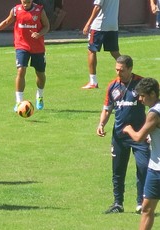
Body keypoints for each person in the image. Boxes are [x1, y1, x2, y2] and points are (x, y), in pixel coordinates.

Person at [96, 55, 150, 214]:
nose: (118, 73)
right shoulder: (113, 86)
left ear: (130, 69)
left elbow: (153, 107)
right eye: (117, 70)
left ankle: (141, 203)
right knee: (118, 170)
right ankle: (118, 203)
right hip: (119, 136)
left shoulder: (141, 84)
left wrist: (149, 130)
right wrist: (101, 124)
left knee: (143, 167)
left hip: (140, 136)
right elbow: (107, 108)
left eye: (122, 70)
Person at [0, 0, 50, 111]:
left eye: (27, 2)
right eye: (24, 1)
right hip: (21, 45)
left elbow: (47, 26)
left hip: (37, 47)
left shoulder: (39, 10)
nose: (25, 4)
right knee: (21, 70)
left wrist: (39, 34)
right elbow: (6, 22)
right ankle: (19, 102)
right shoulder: (16, 10)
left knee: (40, 74)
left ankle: (40, 96)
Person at [122, 78, 160, 229]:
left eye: (143, 96)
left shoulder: (154, 113)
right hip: (154, 168)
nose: (140, 99)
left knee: (147, 209)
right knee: (146, 208)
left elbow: (138, 138)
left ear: (152, 94)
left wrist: (128, 129)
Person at [82, 0, 121, 89]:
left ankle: (93, 81)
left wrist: (88, 24)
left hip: (99, 25)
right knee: (115, 52)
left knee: (91, 51)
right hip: (113, 25)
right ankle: (128, 73)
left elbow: (97, 7)